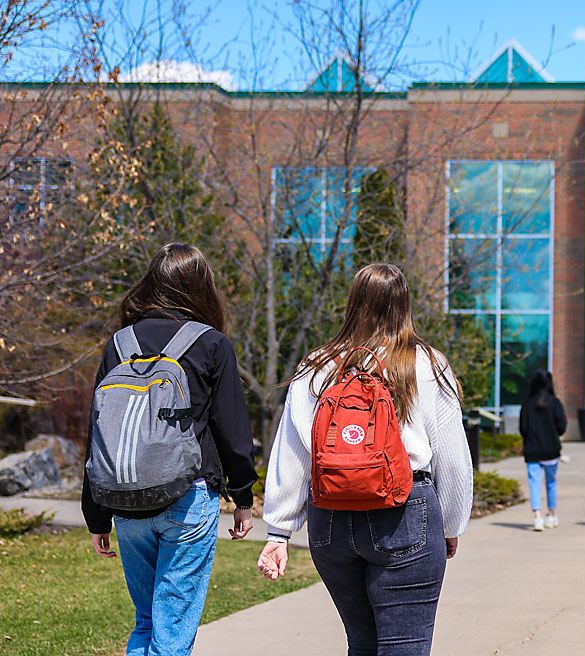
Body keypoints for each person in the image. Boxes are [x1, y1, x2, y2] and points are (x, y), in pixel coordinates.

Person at [259, 263, 473, 656]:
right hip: (405, 514)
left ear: (352, 304)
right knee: (404, 647)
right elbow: (454, 459)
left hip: (331, 520)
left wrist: (279, 531)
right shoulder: (425, 364)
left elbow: (293, 453)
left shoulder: (316, 367)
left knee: (361, 644)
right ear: (404, 306)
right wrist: (452, 523)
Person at [82, 243, 258, 656]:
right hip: (188, 498)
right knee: (173, 630)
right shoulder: (212, 344)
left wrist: (96, 516)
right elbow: (233, 430)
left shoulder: (119, 344)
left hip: (125, 501)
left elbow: (98, 436)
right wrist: (243, 498)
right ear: (201, 287)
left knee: (147, 621)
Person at [518, 370, 567, 531]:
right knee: (551, 483)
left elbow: (523, 428)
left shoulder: (527, 404)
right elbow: (562, 427)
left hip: (532, 451)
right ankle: (551, 515)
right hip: (551, 451)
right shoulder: (555, 403)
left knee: (534, 484)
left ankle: (537, 517)